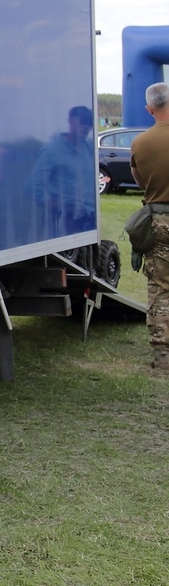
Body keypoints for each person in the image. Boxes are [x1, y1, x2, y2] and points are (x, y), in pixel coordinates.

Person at [131, 82, 169, 375]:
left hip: (159, 220)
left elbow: (141, 180)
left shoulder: (140, 143)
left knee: (160, 289)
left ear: (149, 108)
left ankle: (163, 360)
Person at [28, 104, 96, 235]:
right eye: (83, 121)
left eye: (90, 123)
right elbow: (32, 185)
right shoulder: (52, 150)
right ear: (71, 121)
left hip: (88, 219)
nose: (87, 127)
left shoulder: (88, 148)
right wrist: (53, 204)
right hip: (63, 221)